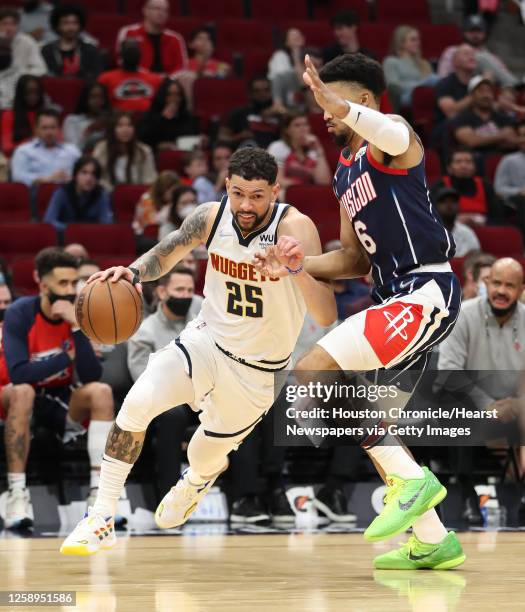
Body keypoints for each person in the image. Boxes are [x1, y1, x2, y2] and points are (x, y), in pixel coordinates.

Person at [60, 145, 337, 555]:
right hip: (205, 341)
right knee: (137, 403)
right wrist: (133, 272)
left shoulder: (295, 228)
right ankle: (100, 516)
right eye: (239, 192)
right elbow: (167, 252)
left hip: (258, 370)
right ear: (227, 185)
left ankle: (196, 480)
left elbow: (326, 313)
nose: (246, 204)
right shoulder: (211, 216)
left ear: (275, 191)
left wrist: (294, 269)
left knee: (203, 453)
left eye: (257, 195)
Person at [259, 52, 466, 571]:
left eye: (331, 103)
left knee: (311, 370)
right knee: (372, 423)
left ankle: (417, 483)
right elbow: (352, 259)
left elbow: (395, 135)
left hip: (425, 292)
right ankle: (434, 539)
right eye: (320, 104)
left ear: (366, 102)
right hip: (391, 297)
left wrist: (346, 109)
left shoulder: (394, 140)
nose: (323, 114)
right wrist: (298, 264)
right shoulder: (346, 173)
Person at [1, 248, 115, 529]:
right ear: (43, 285)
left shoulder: (77, 313)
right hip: (17, 397)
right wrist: (65, 358)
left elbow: (92, 374)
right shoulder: (20, 313)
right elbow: (19, 374)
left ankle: (99, 495)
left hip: (59, 398)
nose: (69, 290)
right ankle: (17, 493)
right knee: (23, 391)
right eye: (62, 284)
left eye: (73, 283)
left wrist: (77, 327)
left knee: (101, 392)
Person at [437, 258, 525, 525]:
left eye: (510, 285)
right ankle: (467, 495)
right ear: (486, 283)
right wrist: (487, 403)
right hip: (472, 405)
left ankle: (523, 496)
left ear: (521, 289)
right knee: (453, 401)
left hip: (514, 407)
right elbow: (448, 370)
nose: (501, 290)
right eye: (496, 282)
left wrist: (518, 403)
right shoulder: (463, 314)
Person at [127, 266, 202, 496]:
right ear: (161, 292)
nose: (186, 296)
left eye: (190, 290)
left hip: (205, 394)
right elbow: (144, 381)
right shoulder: (144, 333)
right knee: (173, 414)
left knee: (241, 406)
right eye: (179, 289)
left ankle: (248, 498)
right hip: (167, 401)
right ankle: (168, 495)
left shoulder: (203, 317)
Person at [438, 15, 517, 88]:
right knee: (481, 57)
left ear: (485, 33)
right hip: (458, 87)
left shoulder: (490, 56)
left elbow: (504, 75)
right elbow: (442, 77)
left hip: (481, 92)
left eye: (479, 31)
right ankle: (517, 87)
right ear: (464, 32)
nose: (475, 35)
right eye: (471, 31)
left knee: (485, 57)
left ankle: (516, 87)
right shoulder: (452, 51)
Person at [431, 148, 503, 225]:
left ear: (475, 167)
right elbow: (432, 215)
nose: (464, 166)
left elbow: (497, 217)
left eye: (468, 162)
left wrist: (480, 221)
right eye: (458, 162)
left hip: (483, 229)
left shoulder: (485, 185)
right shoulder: (440, 185)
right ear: (449, 168)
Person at [11, 108, 80, 188]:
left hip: (68, 194)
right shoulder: (23, 151)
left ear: (58, 129)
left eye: (53, 127)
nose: (49, 132)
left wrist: (72, 179)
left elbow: (84, 173)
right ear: (36, 129)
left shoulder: (72, 151)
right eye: (45, 128)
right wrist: (47, 179)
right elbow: (18, 177)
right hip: (36, 195)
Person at [116, 0, 187, 75]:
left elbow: (181, 67)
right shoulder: (129, 32)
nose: (161, 13)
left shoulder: (175, 38)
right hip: (138, 80)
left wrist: (169, 79)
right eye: (157, 8)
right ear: (145, 10)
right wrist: (150, 78)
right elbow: (121, 60)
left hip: (168, 82)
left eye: (165, 10)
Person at [452, 76, 518, 157]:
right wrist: (502, 136)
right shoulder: (462, 118)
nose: (486, 95)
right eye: (481, 91)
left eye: (489, 91)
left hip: (501, 160)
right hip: (474, 163)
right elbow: (472, 141)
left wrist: (482, 139)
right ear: (471, 96)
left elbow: (512, 141)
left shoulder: (504, 117)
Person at [43, 155, 113, 232]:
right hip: (65, 238)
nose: (89, 178)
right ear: (75, 175)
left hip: (91, 238)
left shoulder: (101, 195)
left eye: (93, 174)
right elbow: (49, 222)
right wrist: (74, 230)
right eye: (84, 173)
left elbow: (107, 224)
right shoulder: (62, 193)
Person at [267, 111, 331, 193]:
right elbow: (278, 180)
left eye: (305, 124)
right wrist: (305, 188)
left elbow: (324, 182)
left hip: (307, 194)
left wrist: (319, 152)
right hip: (285, 194)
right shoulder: (278, 147)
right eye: (297, 125)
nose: (303, 129)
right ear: (287, 130)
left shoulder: (312, 152)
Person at [92, 111, 157, 192]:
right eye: (120, 126)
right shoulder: (101, 149)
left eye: (129, 125)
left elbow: (149, 180)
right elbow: (95, 177)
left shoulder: (144, 151)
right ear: (112, 129)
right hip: (108, 195)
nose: (125, 130)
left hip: (135, 195)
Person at [383, 25, 439, 111]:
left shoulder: (424, 63)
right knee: (432, 79)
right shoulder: (391, 61)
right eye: (413, 40)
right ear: (401, 43)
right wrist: (421, 84)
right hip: (404, 97)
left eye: (418, 39)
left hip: (424, 97)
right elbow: (393, 86)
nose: (418, 43)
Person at [97, 40, 162, 113]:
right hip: (117, 121)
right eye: (129, 50)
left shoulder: (155, 79)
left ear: (140, 54)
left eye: (134, 50)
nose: (132, 53)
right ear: (120, 54)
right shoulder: (105, 79)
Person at [41, 4, 103, 80]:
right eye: (65, 23)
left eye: (75, 23)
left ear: (80, 25)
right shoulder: (47, 50)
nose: (71, 27)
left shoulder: (90, 50)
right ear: (57, 25)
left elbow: (96, 75)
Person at [138, 78, 200, 152]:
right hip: (157, 156)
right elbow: (143, 139)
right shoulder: (151, 115)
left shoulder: (187, 116)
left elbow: (192, 137)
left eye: (177, 94)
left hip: (183, 155)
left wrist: (200, 140)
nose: (173, 98)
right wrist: (162, 118)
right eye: (169, 95)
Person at [224, 77, 285, 149]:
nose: (262, 94)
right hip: (247, 155)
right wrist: (238, 137)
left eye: (266, 90)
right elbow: (222, 138)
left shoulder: (280, 115)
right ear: (250, 94)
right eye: (257, 91)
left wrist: (281, 112)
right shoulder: (239, 113)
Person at [1, 74, 45, 157]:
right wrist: (32, 141)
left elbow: (58, 142)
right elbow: (6, 147)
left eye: (36, 92)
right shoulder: (9, 115)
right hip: (19, 158)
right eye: (28, 93)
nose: (33, 96)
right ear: (21, 93)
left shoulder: (47, 114)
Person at [434, 44, 477, 127]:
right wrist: (476, 96)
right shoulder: (445, 84)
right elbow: (451, 113)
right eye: (466, 54)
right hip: (449, 128)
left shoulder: (478, 80)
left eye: (473, 54)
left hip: (476, 124)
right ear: (455, 61)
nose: (471, 57)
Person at [431, 186, 480, 257]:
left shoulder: (466, 231)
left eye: (453, 201)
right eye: (443, 201)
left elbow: (476, 255)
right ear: (435, 206)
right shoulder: (429, 232)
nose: (449, 205)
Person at [62, 82, 112, 152]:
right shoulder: (72, 120)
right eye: (93, 97)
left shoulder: (110, 121)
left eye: (101, 97)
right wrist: (89, 130)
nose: (97, 101)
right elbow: (73, 150)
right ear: (85, 99)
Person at [0, 7, 46, 76]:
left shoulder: (27, 41)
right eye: (4, 24)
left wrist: (22, 74)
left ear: (18, 26)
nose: (9, 28)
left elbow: (40, 69)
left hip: (18, 82)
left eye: (13, 24)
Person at [133, 170, 180, 236]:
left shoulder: (176, 198)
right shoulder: (147, 199)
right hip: (145, 234)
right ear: (161, 189)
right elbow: (150, 224)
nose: (174, 194)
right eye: (171, 191)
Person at [268, 28, 306, 107]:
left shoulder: (309, 54)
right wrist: (295, 52)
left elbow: (305, 82)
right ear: (286, 42)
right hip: (285, 93)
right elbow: (281, 79)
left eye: (298, 34)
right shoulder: (280, 55)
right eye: (292, 35)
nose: (296, 36)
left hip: (306, 93)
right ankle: (278, 106)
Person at [494, 121, 525, 206]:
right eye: (521, 136)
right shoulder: (509, 160)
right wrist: (520, 191)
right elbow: (499, 189)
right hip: (519, 203)